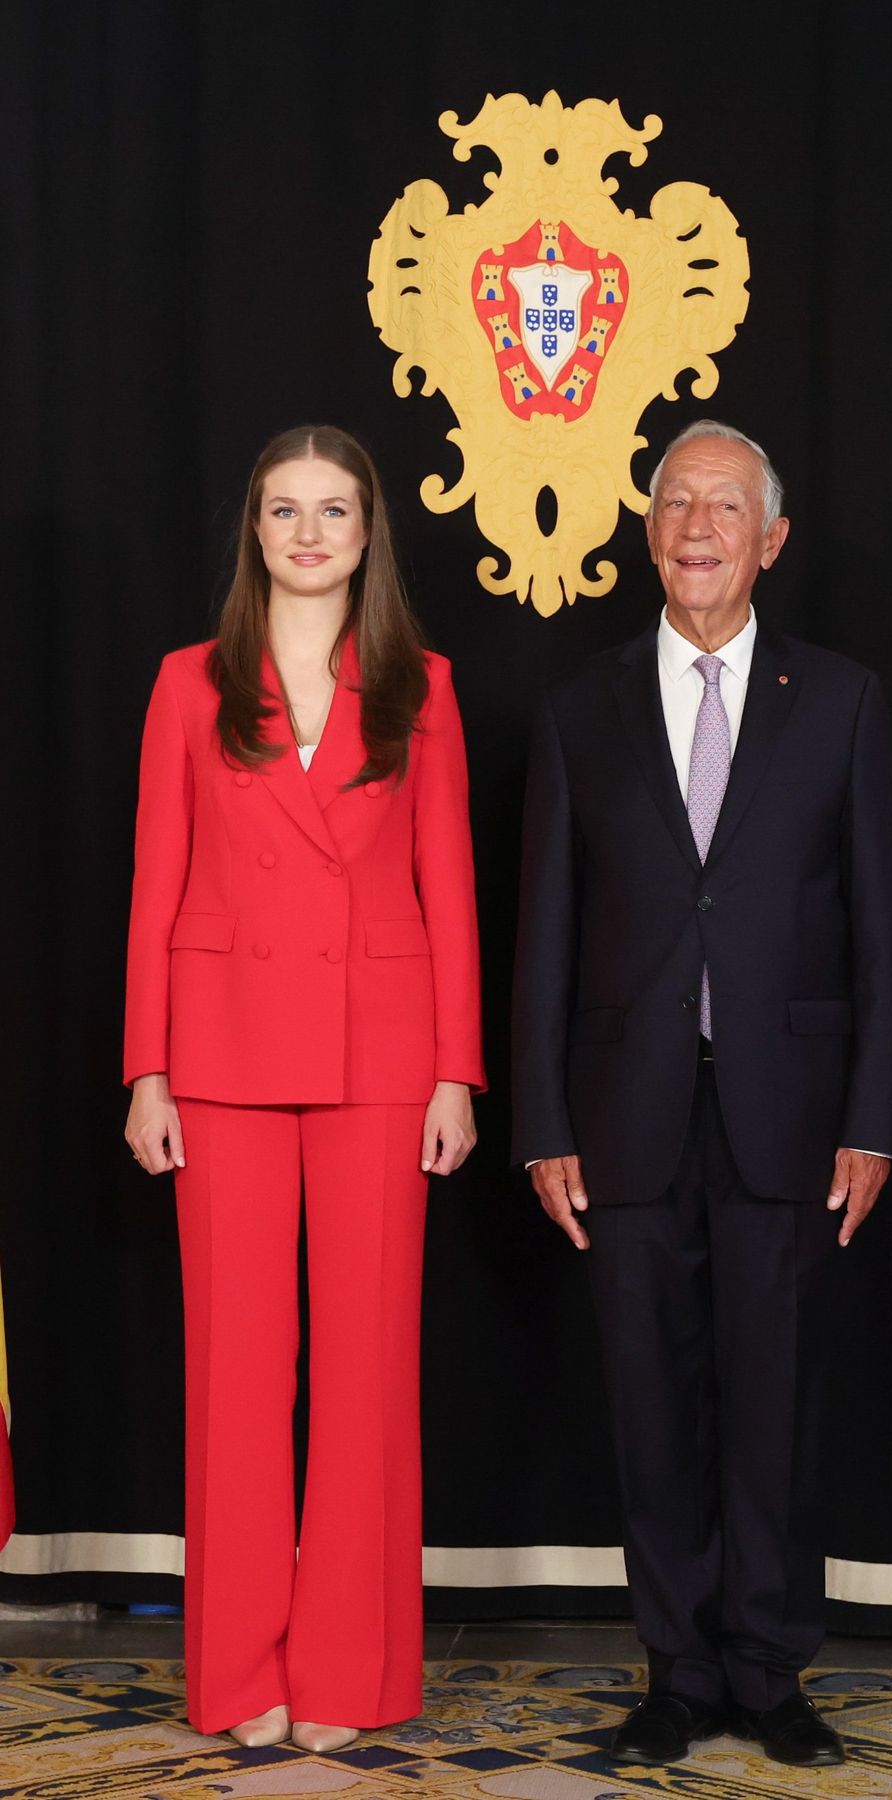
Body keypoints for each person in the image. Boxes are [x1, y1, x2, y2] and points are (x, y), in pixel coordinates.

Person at [512, 421, 892, 1770]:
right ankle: (677, 1673)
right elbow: (546, 934)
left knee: (775, 1396)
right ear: (649, 531)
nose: (697, 525)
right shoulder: (584, 706)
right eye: (677, 501)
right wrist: (542, 1123)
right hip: (621, 1113)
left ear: (772, 540)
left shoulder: (843, 700)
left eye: (725, 506)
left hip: (792, 1114)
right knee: (652, 1401)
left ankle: (768, 1666)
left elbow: (882, 929)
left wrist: (874, 1115)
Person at [124, 425, 484, 1751]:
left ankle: (348, 1674)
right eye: (287, 511)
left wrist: (458, 1069)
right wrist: (144, 1068)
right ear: (256, 531)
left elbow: (448, 886)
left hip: (381, 1060)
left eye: (335, 511)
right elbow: (154, 884)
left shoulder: (422, 685)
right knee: (234, 1373)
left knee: (367, 1372)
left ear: (370, 531)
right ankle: (236, 1676)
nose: (311, 534)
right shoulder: (186, 684)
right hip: (217, 1057)